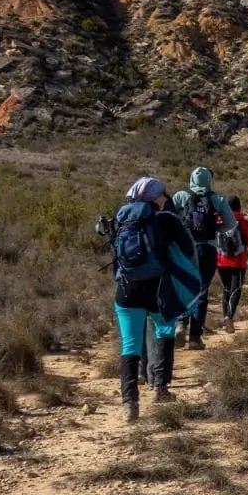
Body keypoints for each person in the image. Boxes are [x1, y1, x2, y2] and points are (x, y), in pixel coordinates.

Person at [109, 176, 199, 421]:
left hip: (126, 292)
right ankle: (160, 388)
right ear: (154, 197)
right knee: (164, 331)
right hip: (159, 290)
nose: (165, 197)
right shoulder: (167, 220)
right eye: (162, 193)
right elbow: (188, 251)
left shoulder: (121, 219)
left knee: (129, 345)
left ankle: (130, 404)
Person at [172, 167, 239, 351]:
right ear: (209, 180)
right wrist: (215, 230)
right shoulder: (217, 200)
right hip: (207, 249)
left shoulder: (180, 197)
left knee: (183, 286)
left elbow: (168, 216)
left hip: (185, 249)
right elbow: (231, 224)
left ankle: (180, 324)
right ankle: (195, 337)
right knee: (201, 292)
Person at [214, 193, 248, 330]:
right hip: (238, 262)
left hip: (220, 261)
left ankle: (226, 317)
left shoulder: (218, 221)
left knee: (226, 290)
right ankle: (229, 317)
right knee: (235, 290)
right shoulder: (242, 222)